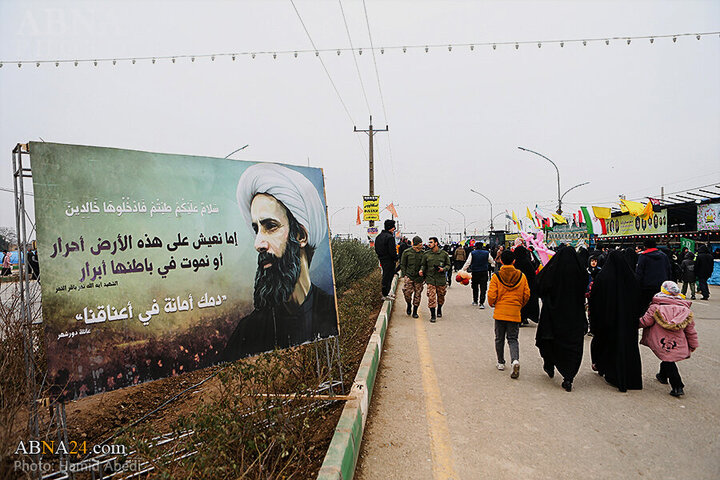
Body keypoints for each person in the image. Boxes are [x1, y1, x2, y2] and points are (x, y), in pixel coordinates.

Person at [223, 163, 338, 360]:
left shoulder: (329, 312)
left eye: (270, 226)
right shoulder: (248, 331)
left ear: (301, 235)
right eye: (256, 229)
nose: (258, 244)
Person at [588, 250, 643, 392]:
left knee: (610, 346)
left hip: (608, 320)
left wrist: (596, 319)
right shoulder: (632, 278)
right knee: (628, 348)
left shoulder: (603, 277)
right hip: (628, 322)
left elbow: (595, 300)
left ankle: (611, 373)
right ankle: (631, 378)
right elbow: (640, 301)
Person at [535, 247, 588, 391]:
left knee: (549, 339)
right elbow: (585, 288)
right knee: (572, 345)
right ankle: (569, 377)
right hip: (574, 314)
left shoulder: (553, 269)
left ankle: (549, 363)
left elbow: (539, 285)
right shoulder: (580, 271)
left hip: (553, 312)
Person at [639, 281, 699, 397]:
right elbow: (690, 330)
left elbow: (645, 321)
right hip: (677, 341)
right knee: (667, 357)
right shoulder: (685, 310)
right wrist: (693, 344)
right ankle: (662, 375)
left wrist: (631, 324)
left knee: (668, 359)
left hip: (661, 340)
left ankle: (677, 385)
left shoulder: (656, 306)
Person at [488, 249, 530, 379]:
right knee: (512, 339)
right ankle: (515, 360)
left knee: (499, 338)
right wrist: (519, 305)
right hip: (514, 312)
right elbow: (526, 294)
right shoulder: (522, 276)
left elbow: (491, 295)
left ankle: (501, 362)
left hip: (500, 312)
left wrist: (493, 303)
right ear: (514, 261)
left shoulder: (496, 276)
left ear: (501, 261)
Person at [418, 237, 451, 322]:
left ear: (436, 243)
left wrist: (443, 269)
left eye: (431, 242)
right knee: (431, 297)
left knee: (441, 296)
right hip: (430, 279)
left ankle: (439, 309)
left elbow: (448, 265)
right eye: (429, 242)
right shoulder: (426, 254)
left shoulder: (444, 254)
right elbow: (423, 265)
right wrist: (421, 270)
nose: (429, 244)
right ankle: (433, 315)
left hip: (441, 279)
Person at [635, 238, 672, 311]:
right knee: (660, 307)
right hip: (662, 286)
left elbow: (639, 272)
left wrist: (638, 285)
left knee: (646, 307)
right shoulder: (664, 256)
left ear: (645, 246)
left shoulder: (643, 256)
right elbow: (669, 270)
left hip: (647, 286)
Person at [461, 242, 494, 308]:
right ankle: (481, 303)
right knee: (483, 288)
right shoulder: (487, 253)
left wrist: (462, 270)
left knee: (475, 287)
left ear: (475, 247)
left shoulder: (472, 253)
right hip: (484, 272)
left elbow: (468, 263)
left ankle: (475, 300)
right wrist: (493, 266)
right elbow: (492, 261)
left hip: (475, 272)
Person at [512, 245, 539, 326]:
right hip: (528, 286)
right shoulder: (527, 262)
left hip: (517, 287)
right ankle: (525, 317)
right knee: (527, 302)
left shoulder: (514, 263)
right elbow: (532, 274)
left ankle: (520, 318)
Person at [400, 236, 425, 318]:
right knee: (407, 293)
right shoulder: (407, 252)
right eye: (420, 244)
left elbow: (425, 265)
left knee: (418, 295)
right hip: (409, 276)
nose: (421, 246)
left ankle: (415, 311)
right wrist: (405, 274)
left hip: (419, 278)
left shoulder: (423, 253)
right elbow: (403, 264)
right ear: (416, 244)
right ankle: (408, 304)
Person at [375, 219, 399, 300]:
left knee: (385, 275)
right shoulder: (390, 238)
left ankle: (386, 293)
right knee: (388, 276)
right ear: (390, 227)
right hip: (389, 260)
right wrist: (396, 258)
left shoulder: (378, 237)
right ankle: (386, 294)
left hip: (382, 259)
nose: (394, 229)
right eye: (393, 227)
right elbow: (392, 251)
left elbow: (376, 249)